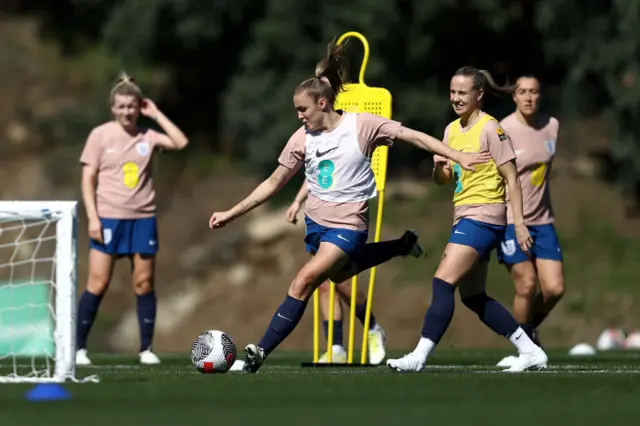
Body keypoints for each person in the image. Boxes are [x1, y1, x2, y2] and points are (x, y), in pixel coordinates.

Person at [208, 40, 491, 374]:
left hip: (348, 227)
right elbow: (273, 183)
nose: (299, 117)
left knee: (305, 281)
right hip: (316, 227)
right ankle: (401, 245)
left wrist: (456, 155)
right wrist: (231, 212)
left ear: (323, 102)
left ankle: (258, 353)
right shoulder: (301, 139)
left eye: (303, 110)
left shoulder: (362, 125)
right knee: (343, 274)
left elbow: (413, 136)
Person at [386, 66, 548, 373]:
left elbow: (512, 179)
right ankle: (530, 350)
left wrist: (520, 223)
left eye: (462, 93)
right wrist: (438, 167)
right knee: (473, 296)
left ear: (479, 95)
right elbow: (443, 179)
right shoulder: (450, 130)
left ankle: (418, 357)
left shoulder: (491, 129)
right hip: (465, 214)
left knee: (442, 282)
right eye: (452, 92)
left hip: (484, 216)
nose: (456, 98)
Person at [76, 73, 189, 365]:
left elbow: (181, 142)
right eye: (121, 106)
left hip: (143, 219)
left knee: (143, 283)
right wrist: (93, 218)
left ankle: (146, 349)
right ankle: (78, 348)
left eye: (132, 106)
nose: (126, 111)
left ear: (139, 107)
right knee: (97, 283)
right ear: (112, 108)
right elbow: (88, 179)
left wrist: (156, 114)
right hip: (108, 219)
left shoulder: (147, 136)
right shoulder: (99, 136)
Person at [495, 75, 564, 368]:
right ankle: (526, 347)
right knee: (526, 284)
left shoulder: (552, 126)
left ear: (540, 95)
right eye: (522, 92)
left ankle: (528, 331)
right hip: (511, 220)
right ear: (514, 97)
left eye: (533, 92)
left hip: (543, 221)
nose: (528, 97)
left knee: (554, 289)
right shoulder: (503, 130)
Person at [285, 180, 387, 364]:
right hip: (319, 216)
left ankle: (372, 328)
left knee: (340, 280)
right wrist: (297, 201)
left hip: (343, 216)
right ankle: (336, 348)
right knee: (322, 284)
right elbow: (314, 173)